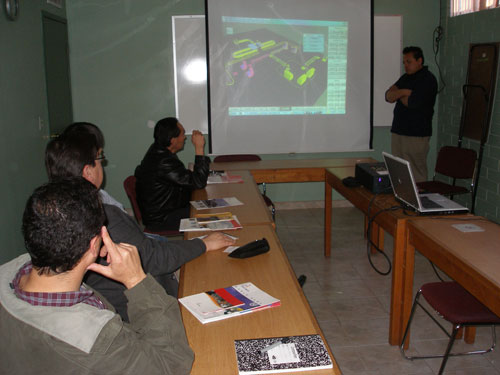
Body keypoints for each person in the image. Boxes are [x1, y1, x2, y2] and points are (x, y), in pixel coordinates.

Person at [0, 177, 194, 374]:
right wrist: (136, 280)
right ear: (95, 245)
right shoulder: (95, 340)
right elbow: (173, 364)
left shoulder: (11, 274)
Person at [45, 123, 234, 321]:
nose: (103, 163)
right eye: (99, 158)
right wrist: (204, 243)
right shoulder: (101, 216)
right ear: (88, 172)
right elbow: (152, 259)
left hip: (123, 296)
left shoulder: (57, 209)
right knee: (216, 274)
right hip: (143, 307)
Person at [135, 117, 210, 231]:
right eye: (182, 134)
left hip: (165, 210)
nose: (185, 138)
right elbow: (199, 182)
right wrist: (199, 149)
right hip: (162, 219)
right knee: (209, 212)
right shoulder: (163, 161)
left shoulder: (158, 151)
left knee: (205, 202)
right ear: (172, 140)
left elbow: (184, 178)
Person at [385, 46, 438, 182]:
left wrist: (399, 94)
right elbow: (388, 96)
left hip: (416, 134)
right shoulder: (405, 78)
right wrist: (404, 92)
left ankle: (419, 202)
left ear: (419, 61)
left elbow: (412, 103)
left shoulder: (427, 79)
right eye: (404, 62)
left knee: (415, 172)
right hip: (399, 131)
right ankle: (403, 202)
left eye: (409, 62)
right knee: (399, 171)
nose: (406, 66)